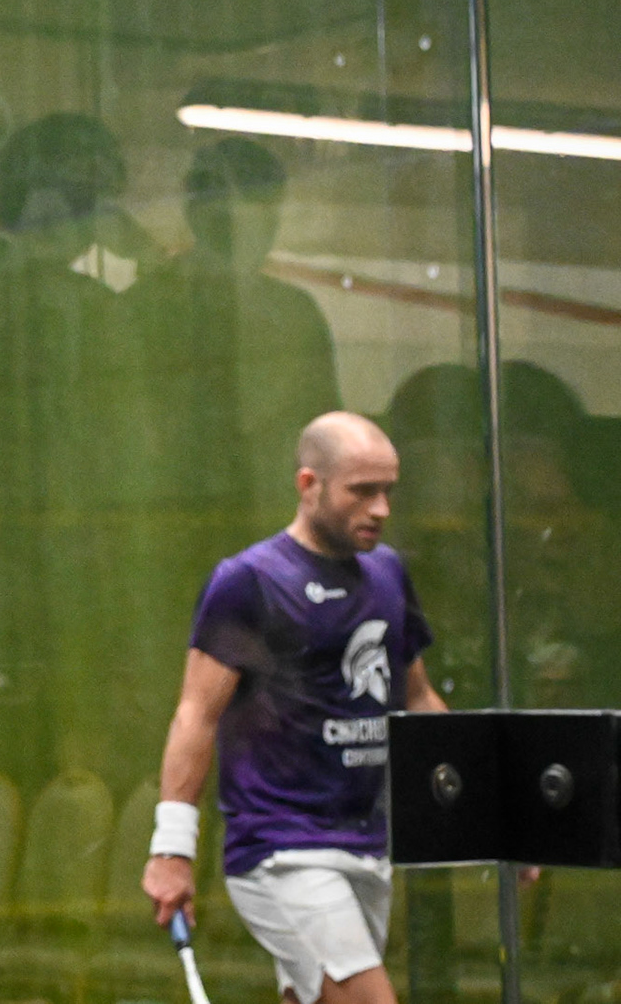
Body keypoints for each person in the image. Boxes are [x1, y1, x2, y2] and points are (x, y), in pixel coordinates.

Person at [142, 412, 447, 1004]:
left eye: (388, 490)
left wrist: (487, 813)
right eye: (362, 491)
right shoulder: (248, 582)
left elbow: (418, 699)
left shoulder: (388, 574)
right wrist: (172, 850)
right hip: (282, 850)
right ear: (310, 485)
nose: (381, 508)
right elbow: (196, 716)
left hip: (368, 847)